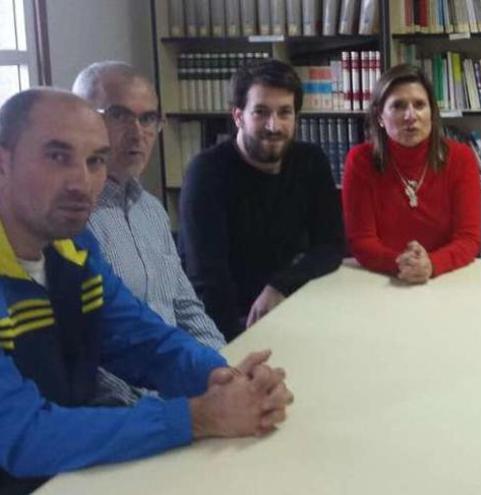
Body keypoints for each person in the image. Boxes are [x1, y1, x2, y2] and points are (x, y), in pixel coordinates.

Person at [0, 88, 293, 494]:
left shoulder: (75, 248)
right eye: (57, 156)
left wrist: (221, 377)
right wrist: (196, 417)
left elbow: (143, 340)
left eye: (95, 160)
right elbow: (22, 437)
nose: (81, 182)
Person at [72, 61, 226, 406]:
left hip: (182, 384)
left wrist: (227, 369)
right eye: (119, 115)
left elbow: (186, 309)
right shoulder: (72, 225)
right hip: (135, 408)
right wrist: (168, 408)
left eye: (148, 119)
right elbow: (92, 354)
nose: (137, 132)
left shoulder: (152, 211)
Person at [179, 59, 344, 340]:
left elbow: (331, 246)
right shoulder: (206, 172)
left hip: (289, 304)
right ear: (238, 116)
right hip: (230, 321)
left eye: (284, 113)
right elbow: (207, 277)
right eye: (261, 112)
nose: (274, 125)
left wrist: (279, 286)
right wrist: (235, 345)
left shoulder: (310, 161)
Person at [342, 64, 481, 283]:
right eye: (398, 106)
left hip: (446, 279)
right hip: (382, 280)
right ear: (380, 116)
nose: (410, 116)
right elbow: (361, 240)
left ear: (432, 113)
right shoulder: (360, 161)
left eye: (419, 105)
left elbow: (469, 238)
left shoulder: (461, 158)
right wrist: (402, 263)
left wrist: (432, 264)